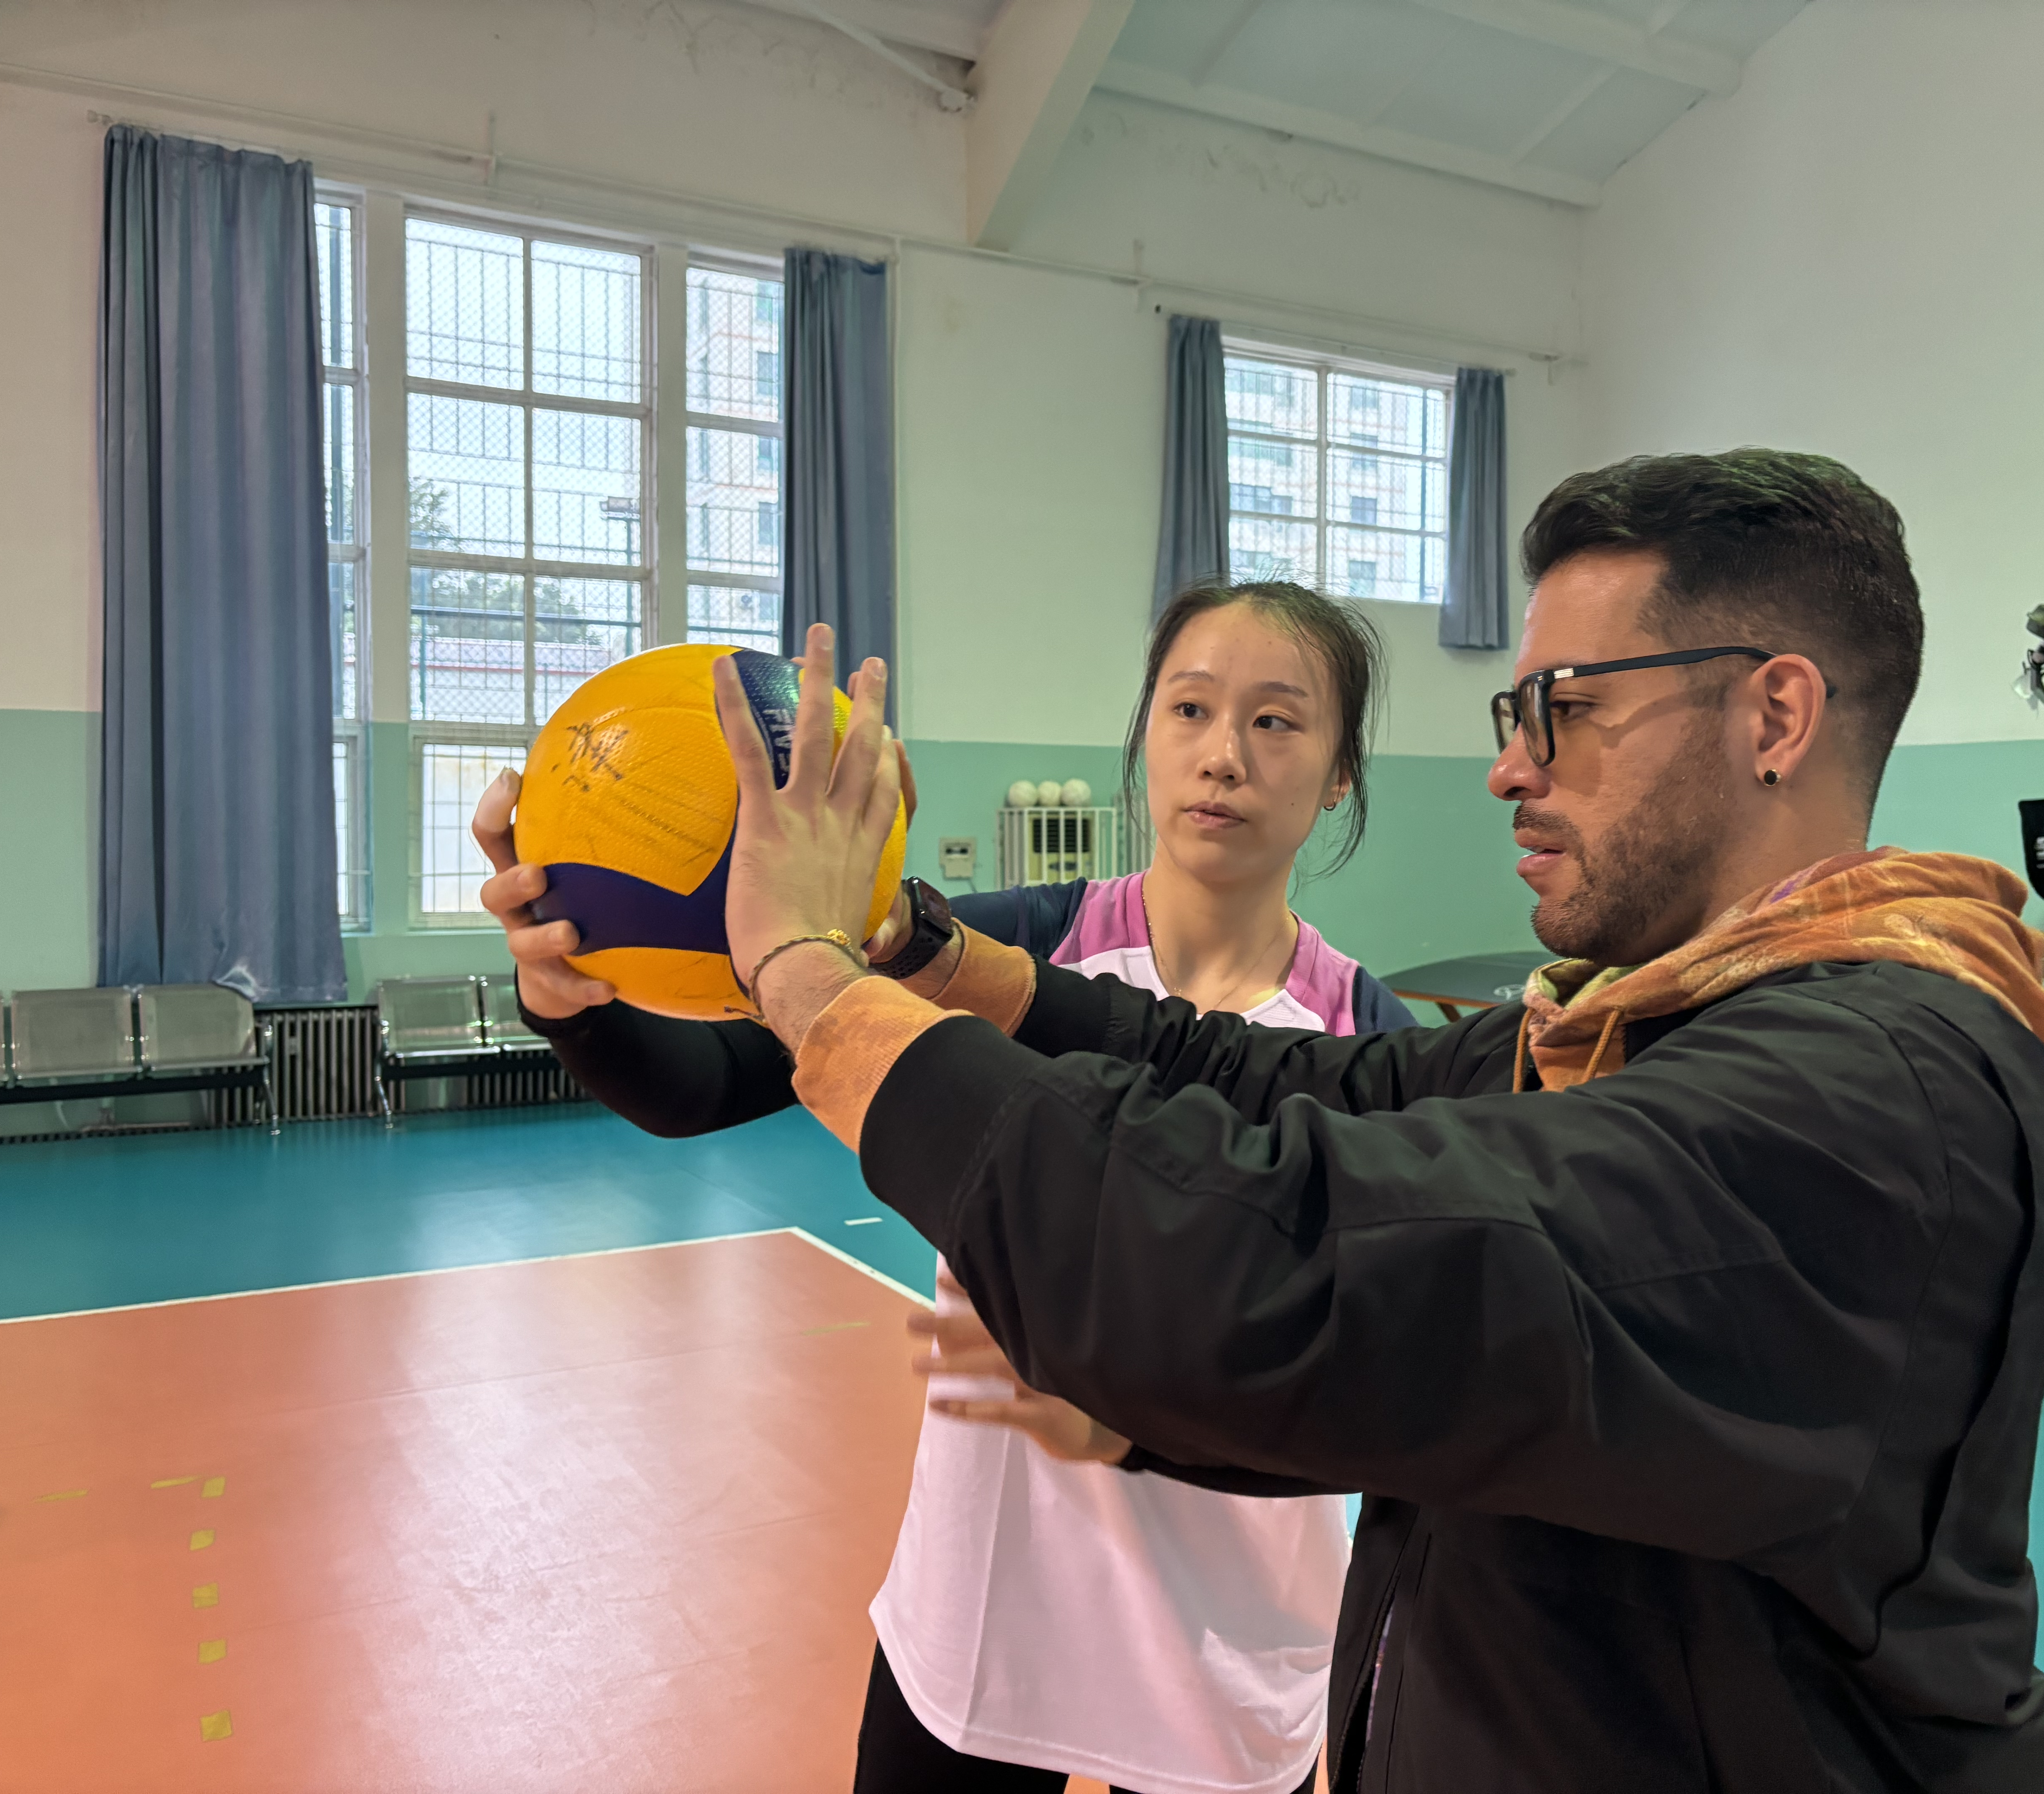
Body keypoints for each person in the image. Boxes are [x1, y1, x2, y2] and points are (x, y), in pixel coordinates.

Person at [710, 448, 2044, 1792]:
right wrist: (924, 954)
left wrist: (811, 981)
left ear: (1774, 717)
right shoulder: (1654, 1027)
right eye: (1511, 712)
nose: (1509, 770)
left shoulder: (1852, 1099)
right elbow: (1297, 1088)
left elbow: (1279, 1272)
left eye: (1566, 706)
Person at [474, 581, 1412, 1794]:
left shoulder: (1357, 1035)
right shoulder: (1005, 947)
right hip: (978, 1618)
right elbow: (699, 1085)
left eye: (1278, 722)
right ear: (1147, 733)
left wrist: (1137, 1424)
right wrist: (568, 994)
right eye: (1190, 708)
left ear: (1340, 773)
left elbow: (1372, 1360)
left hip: (1227, 1646)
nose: (1223, 754)